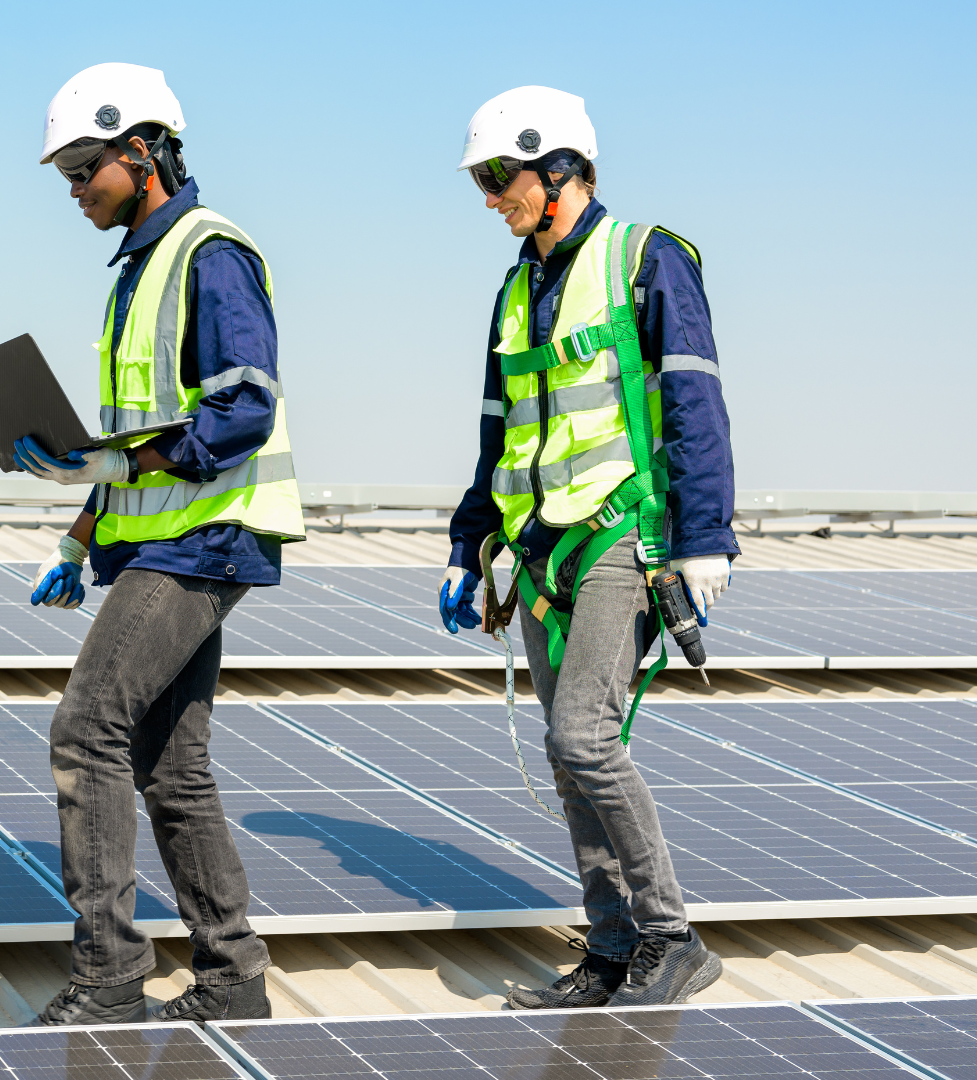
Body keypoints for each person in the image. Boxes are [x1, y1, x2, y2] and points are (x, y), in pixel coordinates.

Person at [11, 62, 304, 1025]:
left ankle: (109, 975)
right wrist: (77, 511)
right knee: (169, 766)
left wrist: (113, 465)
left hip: (205, 540)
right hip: (158, 543)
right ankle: (233, 975)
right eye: (65, 174)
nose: (75, 188)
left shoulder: (209, 253)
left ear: (142, 153)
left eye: (84, 167)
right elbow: (137, 436)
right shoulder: (140, 267)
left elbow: (242, 412)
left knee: (83, 731)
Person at [440, 86, 734, 1008]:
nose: (490, 197)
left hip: (626, 534)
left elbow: (693, 400)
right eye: (483, 181)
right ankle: (609, 953)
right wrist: (468, 542)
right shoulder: (516, 287)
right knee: (565, 758)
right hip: (539, 550)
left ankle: (671, 936)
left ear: (558, 165)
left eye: (500, 177)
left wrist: (705, 537)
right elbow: (501, 430)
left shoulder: (646, 260)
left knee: (583, 734)